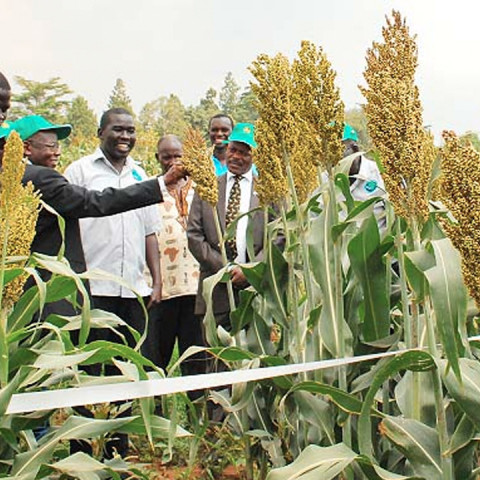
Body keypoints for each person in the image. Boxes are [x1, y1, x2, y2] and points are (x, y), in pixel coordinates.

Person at [187, 122, 267, 329]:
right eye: (233, 150)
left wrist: (250, 271)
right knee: (217, 357)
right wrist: (226, 270)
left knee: (256, 356)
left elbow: (279, 237)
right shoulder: (207, 187)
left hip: (257, 289)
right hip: (215, 289)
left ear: (255, 156)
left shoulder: (268, 191)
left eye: (244, 153)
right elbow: (194, 236)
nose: (236, 157)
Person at [144, 135, 205, 387]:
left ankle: (199, 410)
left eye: (177, 156)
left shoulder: (203, 190)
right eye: (166, 156)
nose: (173, 162)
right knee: (156, 355)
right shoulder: (148, 191)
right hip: (162, 290)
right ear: (158, 158)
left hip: (196, 287)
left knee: (196, 356)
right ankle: (156, 409)